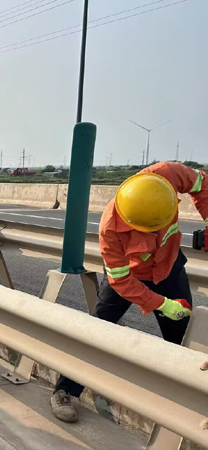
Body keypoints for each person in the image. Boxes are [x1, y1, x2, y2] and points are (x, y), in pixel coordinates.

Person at [50, 161, 201, 423]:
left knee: (186, 339)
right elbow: (120, 281)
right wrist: (162, 304)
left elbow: (203, 185)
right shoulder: (110, 229)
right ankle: (65, 390)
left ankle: (194, 405)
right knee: (98, 331)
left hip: (168, 268)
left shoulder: (168, 174)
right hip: (130, 276)